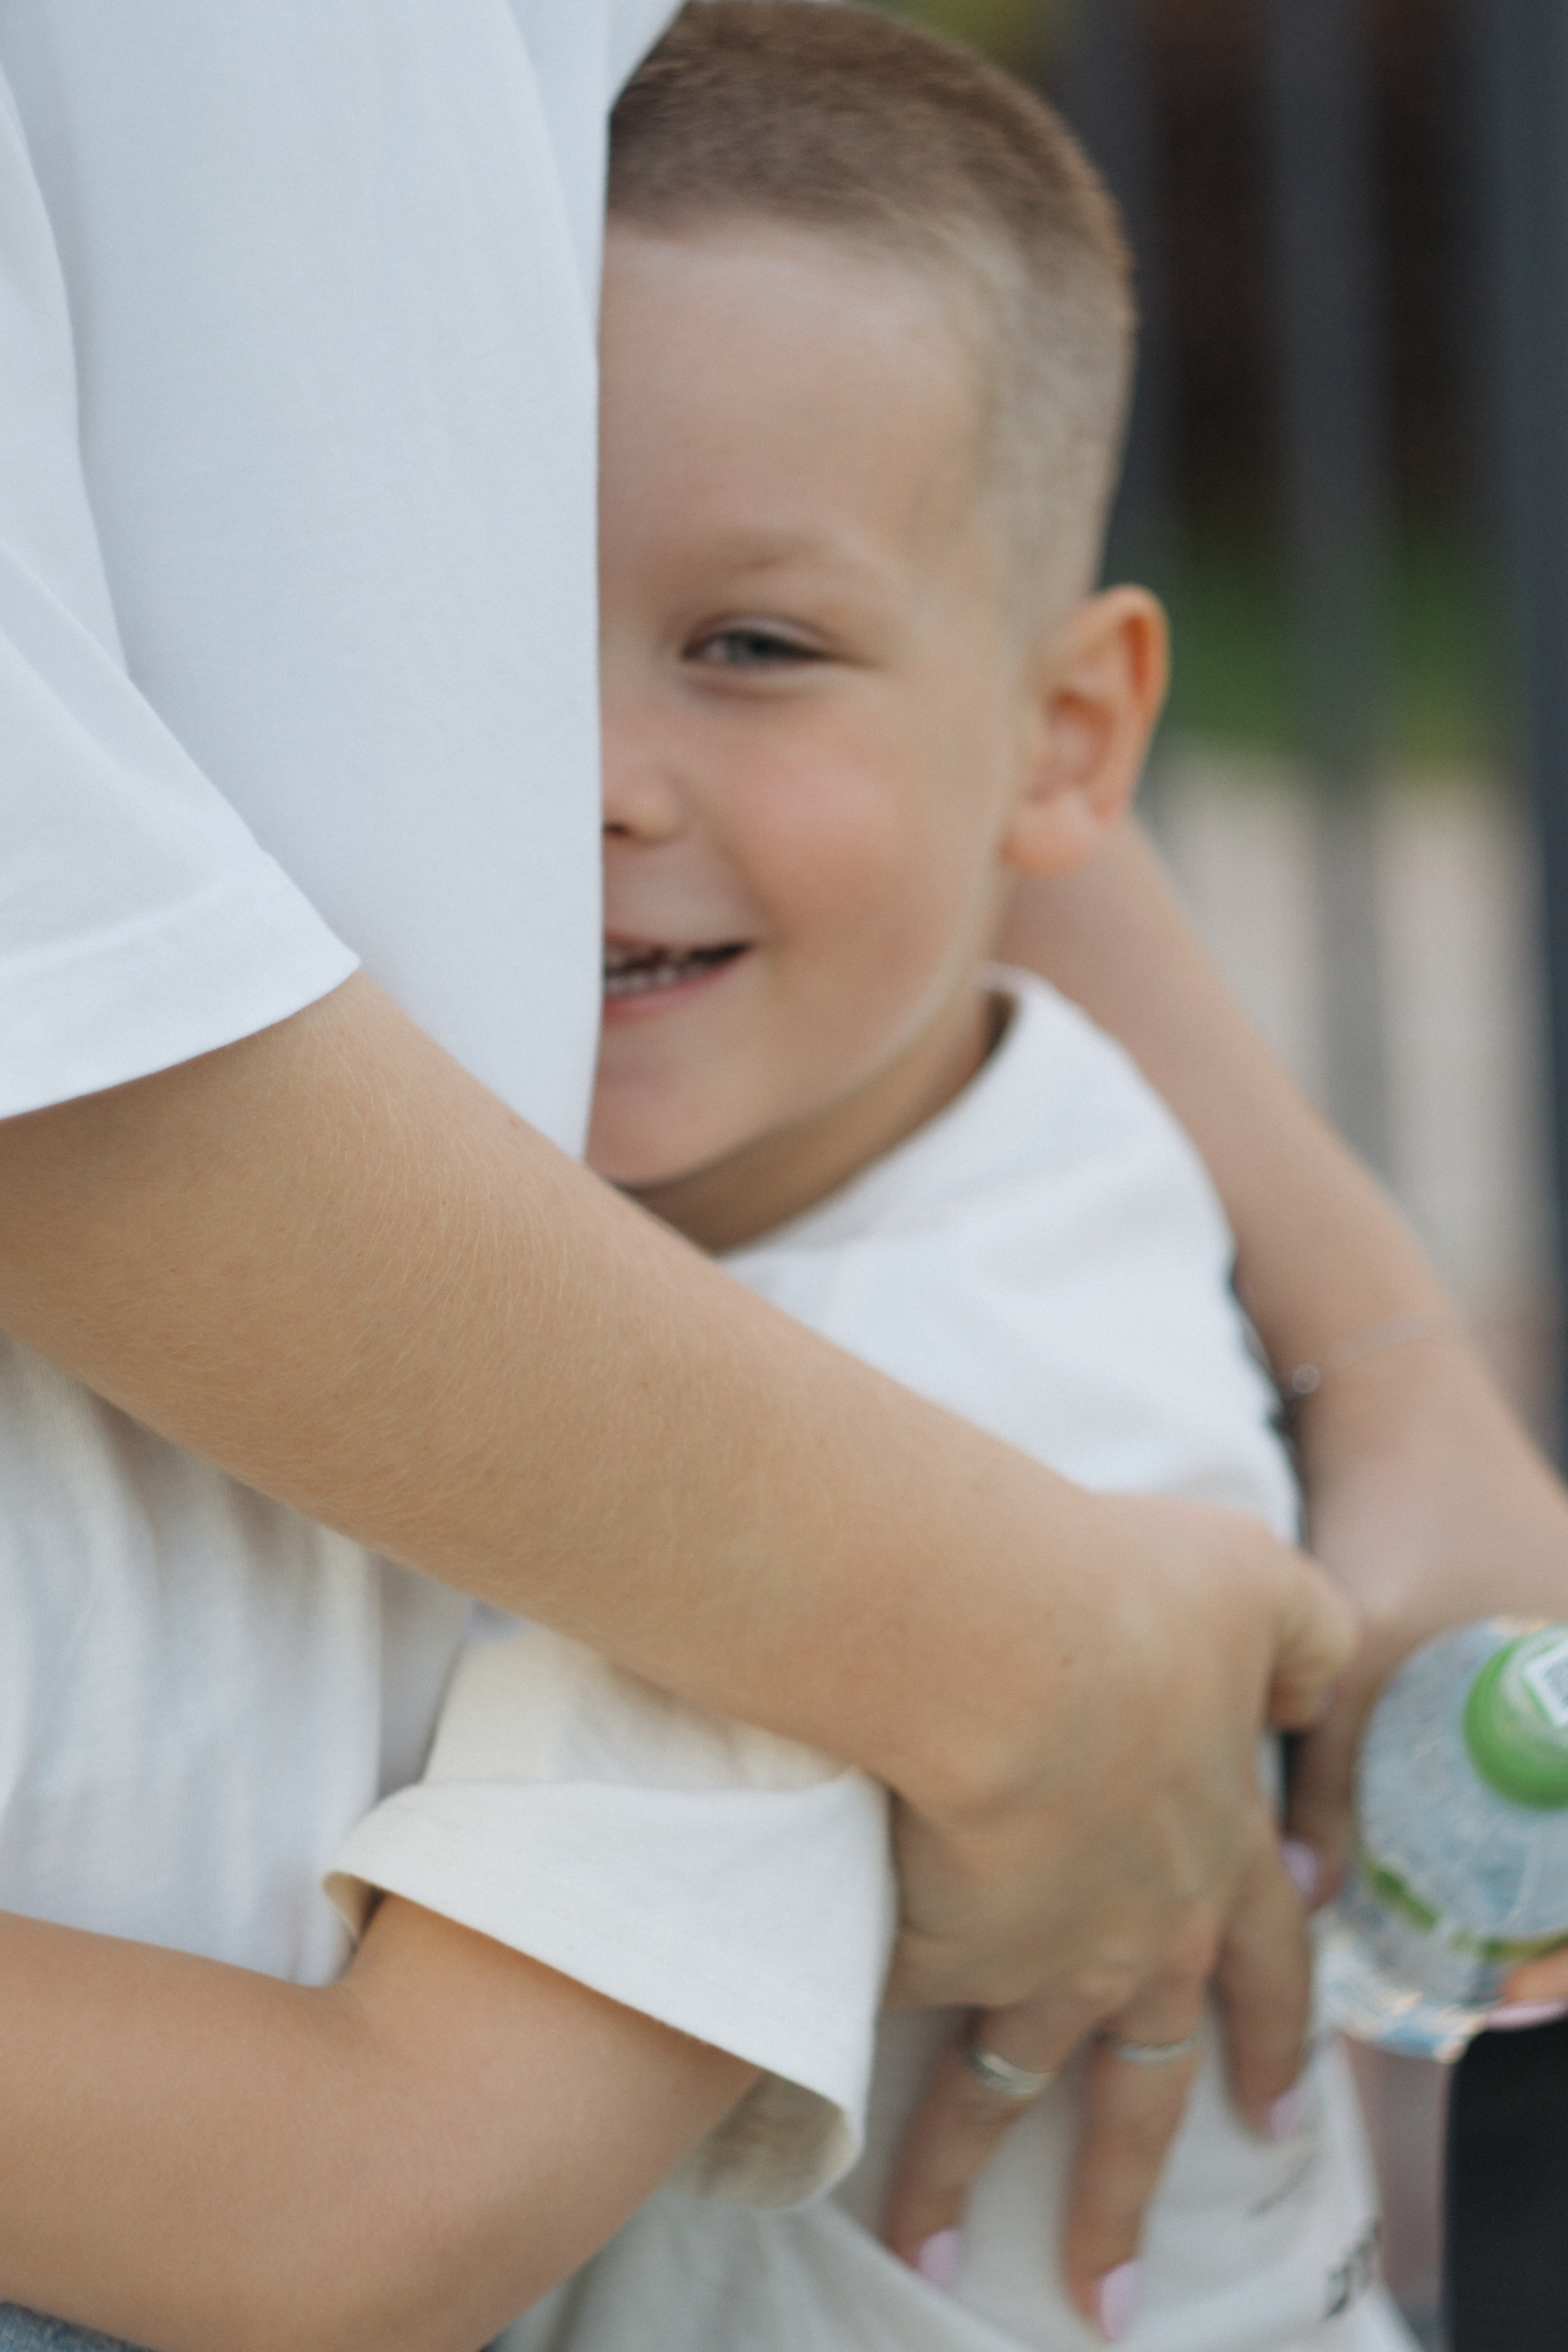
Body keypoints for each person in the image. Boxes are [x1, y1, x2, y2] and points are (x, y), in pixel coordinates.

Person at [2, 13, 1565, 2350]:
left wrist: (1399, 1360)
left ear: (1073, 739)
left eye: (750, 646)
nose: (592, 778)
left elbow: (366, 2207)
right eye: (490, 655)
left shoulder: (919, 1388)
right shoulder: (861, 1206)